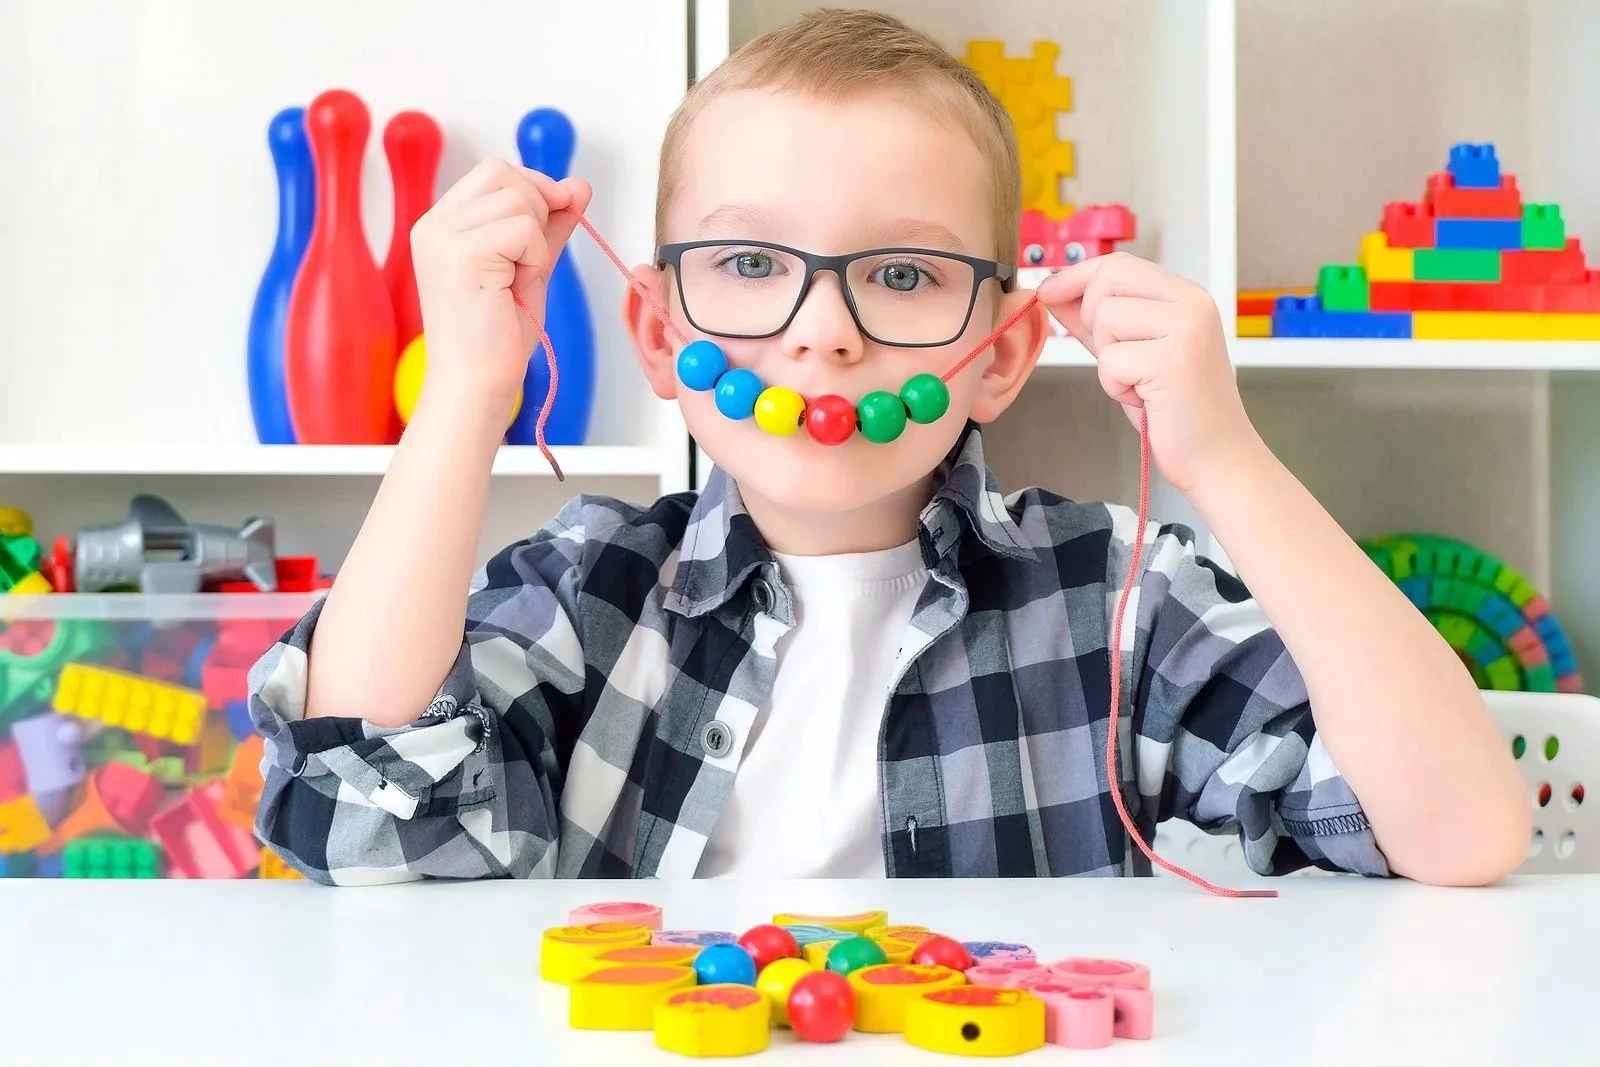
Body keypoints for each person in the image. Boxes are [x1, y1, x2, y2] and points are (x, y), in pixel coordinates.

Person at [247, 8, 1529, 887]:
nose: (823, 337)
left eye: (903, 275)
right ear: (656, 329)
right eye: (751, 264)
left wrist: (1231, 459)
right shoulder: (586, 593)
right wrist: (464, 392)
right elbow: (358, 819)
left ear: (1001, 352)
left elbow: (1458, 831)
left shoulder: (1119, 600)